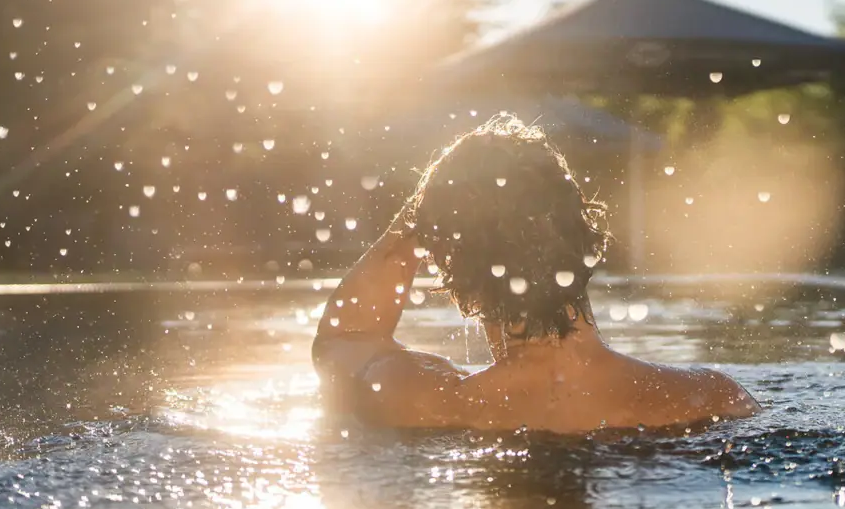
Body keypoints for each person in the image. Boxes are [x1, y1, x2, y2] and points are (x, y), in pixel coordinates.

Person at [312, 114, 758, 432]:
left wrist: (426, 218)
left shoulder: (429, 403)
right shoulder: (711, 398)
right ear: (583, 240)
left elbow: (343, 338)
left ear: (451, 264)